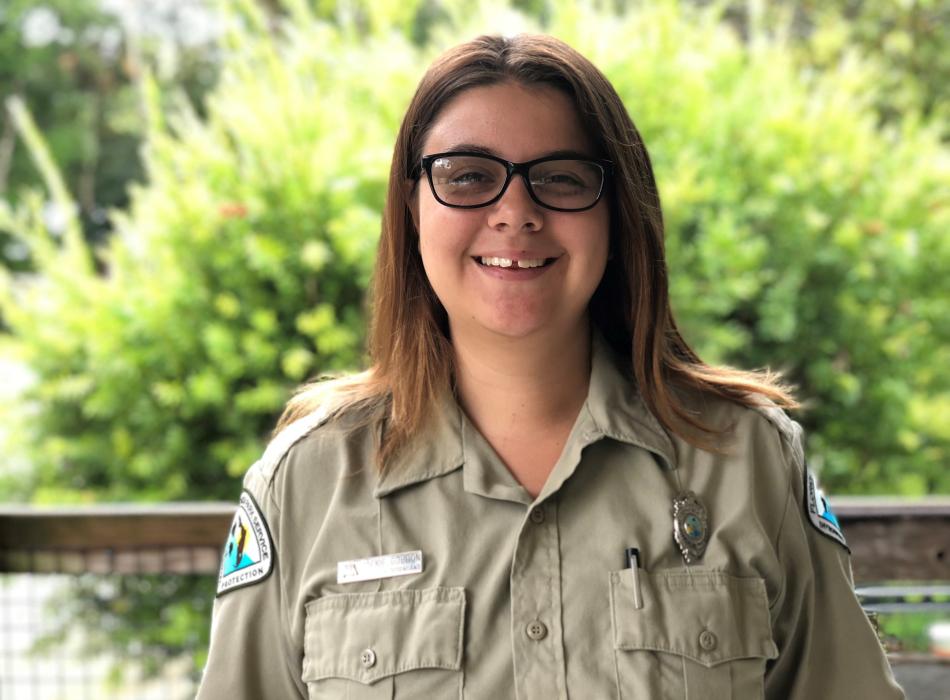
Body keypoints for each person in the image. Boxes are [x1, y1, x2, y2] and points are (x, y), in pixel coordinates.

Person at [196, 33, 905, 699]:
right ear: (411, 209)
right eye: (468, 176)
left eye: (560, 179)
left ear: (616, 212)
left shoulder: (746, 458)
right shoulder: (309, 483)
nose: (515, 211)